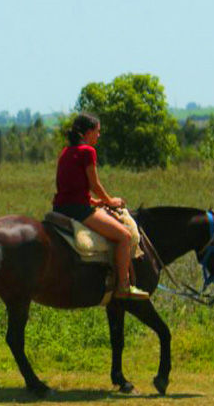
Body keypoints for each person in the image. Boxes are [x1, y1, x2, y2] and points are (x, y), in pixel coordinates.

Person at [53, 112, 149, 300]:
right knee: (124, 236)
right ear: (88, 132)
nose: (99, 135)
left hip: (60, 207)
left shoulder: (66, 151)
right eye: (97, 131)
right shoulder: (88, 152)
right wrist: (109, 201)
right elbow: (94, 184)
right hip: (79, 211)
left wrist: (94, 201)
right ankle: (123, 286)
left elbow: (71, 185)